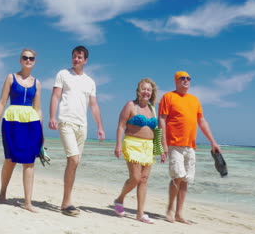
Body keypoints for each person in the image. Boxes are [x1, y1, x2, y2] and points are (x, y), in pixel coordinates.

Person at [49, 45, 105, 216]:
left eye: (79, 57)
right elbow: (56, 96)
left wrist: (100, 127)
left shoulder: (90, 82)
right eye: (74, 56)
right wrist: (52, 116)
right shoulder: (63, 74)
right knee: (73, 159)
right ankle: (66, 203)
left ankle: (67, 200)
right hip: (66, 121)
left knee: (74, 163)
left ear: (85, 60)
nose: (76, 59)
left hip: (83, 126)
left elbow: (93, 105)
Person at [159, 71, 221, 224]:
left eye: (188, 78)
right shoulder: (168, 97)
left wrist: (213, 141)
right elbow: (161, 120)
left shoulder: (194, 100)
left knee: (186, 179)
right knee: (177, 176)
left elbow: (202, 121)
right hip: (174, 144)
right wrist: (163, 144)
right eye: (182, 78)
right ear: (176, 81)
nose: (186, 81)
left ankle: (179, 213)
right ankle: (170, 210)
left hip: (190, 146)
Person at [0, 48, 43, 213]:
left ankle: (28, 202)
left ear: (34, 61)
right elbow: (1, 102)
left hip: (31, 123)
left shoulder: (37, 82)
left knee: (30, 162)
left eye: (31, 58)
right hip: (12, 121)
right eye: (25, 57)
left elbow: (38, 109)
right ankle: (3, 191)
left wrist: (41, 132)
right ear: (20, 60)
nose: (28, 60)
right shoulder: (10, 78)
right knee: (10, 159)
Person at [113, 78, 161, 224]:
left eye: (149, 90)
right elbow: (121, 125)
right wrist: (118, 145)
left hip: (148, 146)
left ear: (152, 93)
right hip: (132, 143)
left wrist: (161, 148)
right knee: (135, 177)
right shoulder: (130, 105)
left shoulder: (152, 108)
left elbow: (156, 130)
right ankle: (120, 199)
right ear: (139, 91)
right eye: (144, 89)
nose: (146, 92)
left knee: (144, 180)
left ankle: (140, 214)